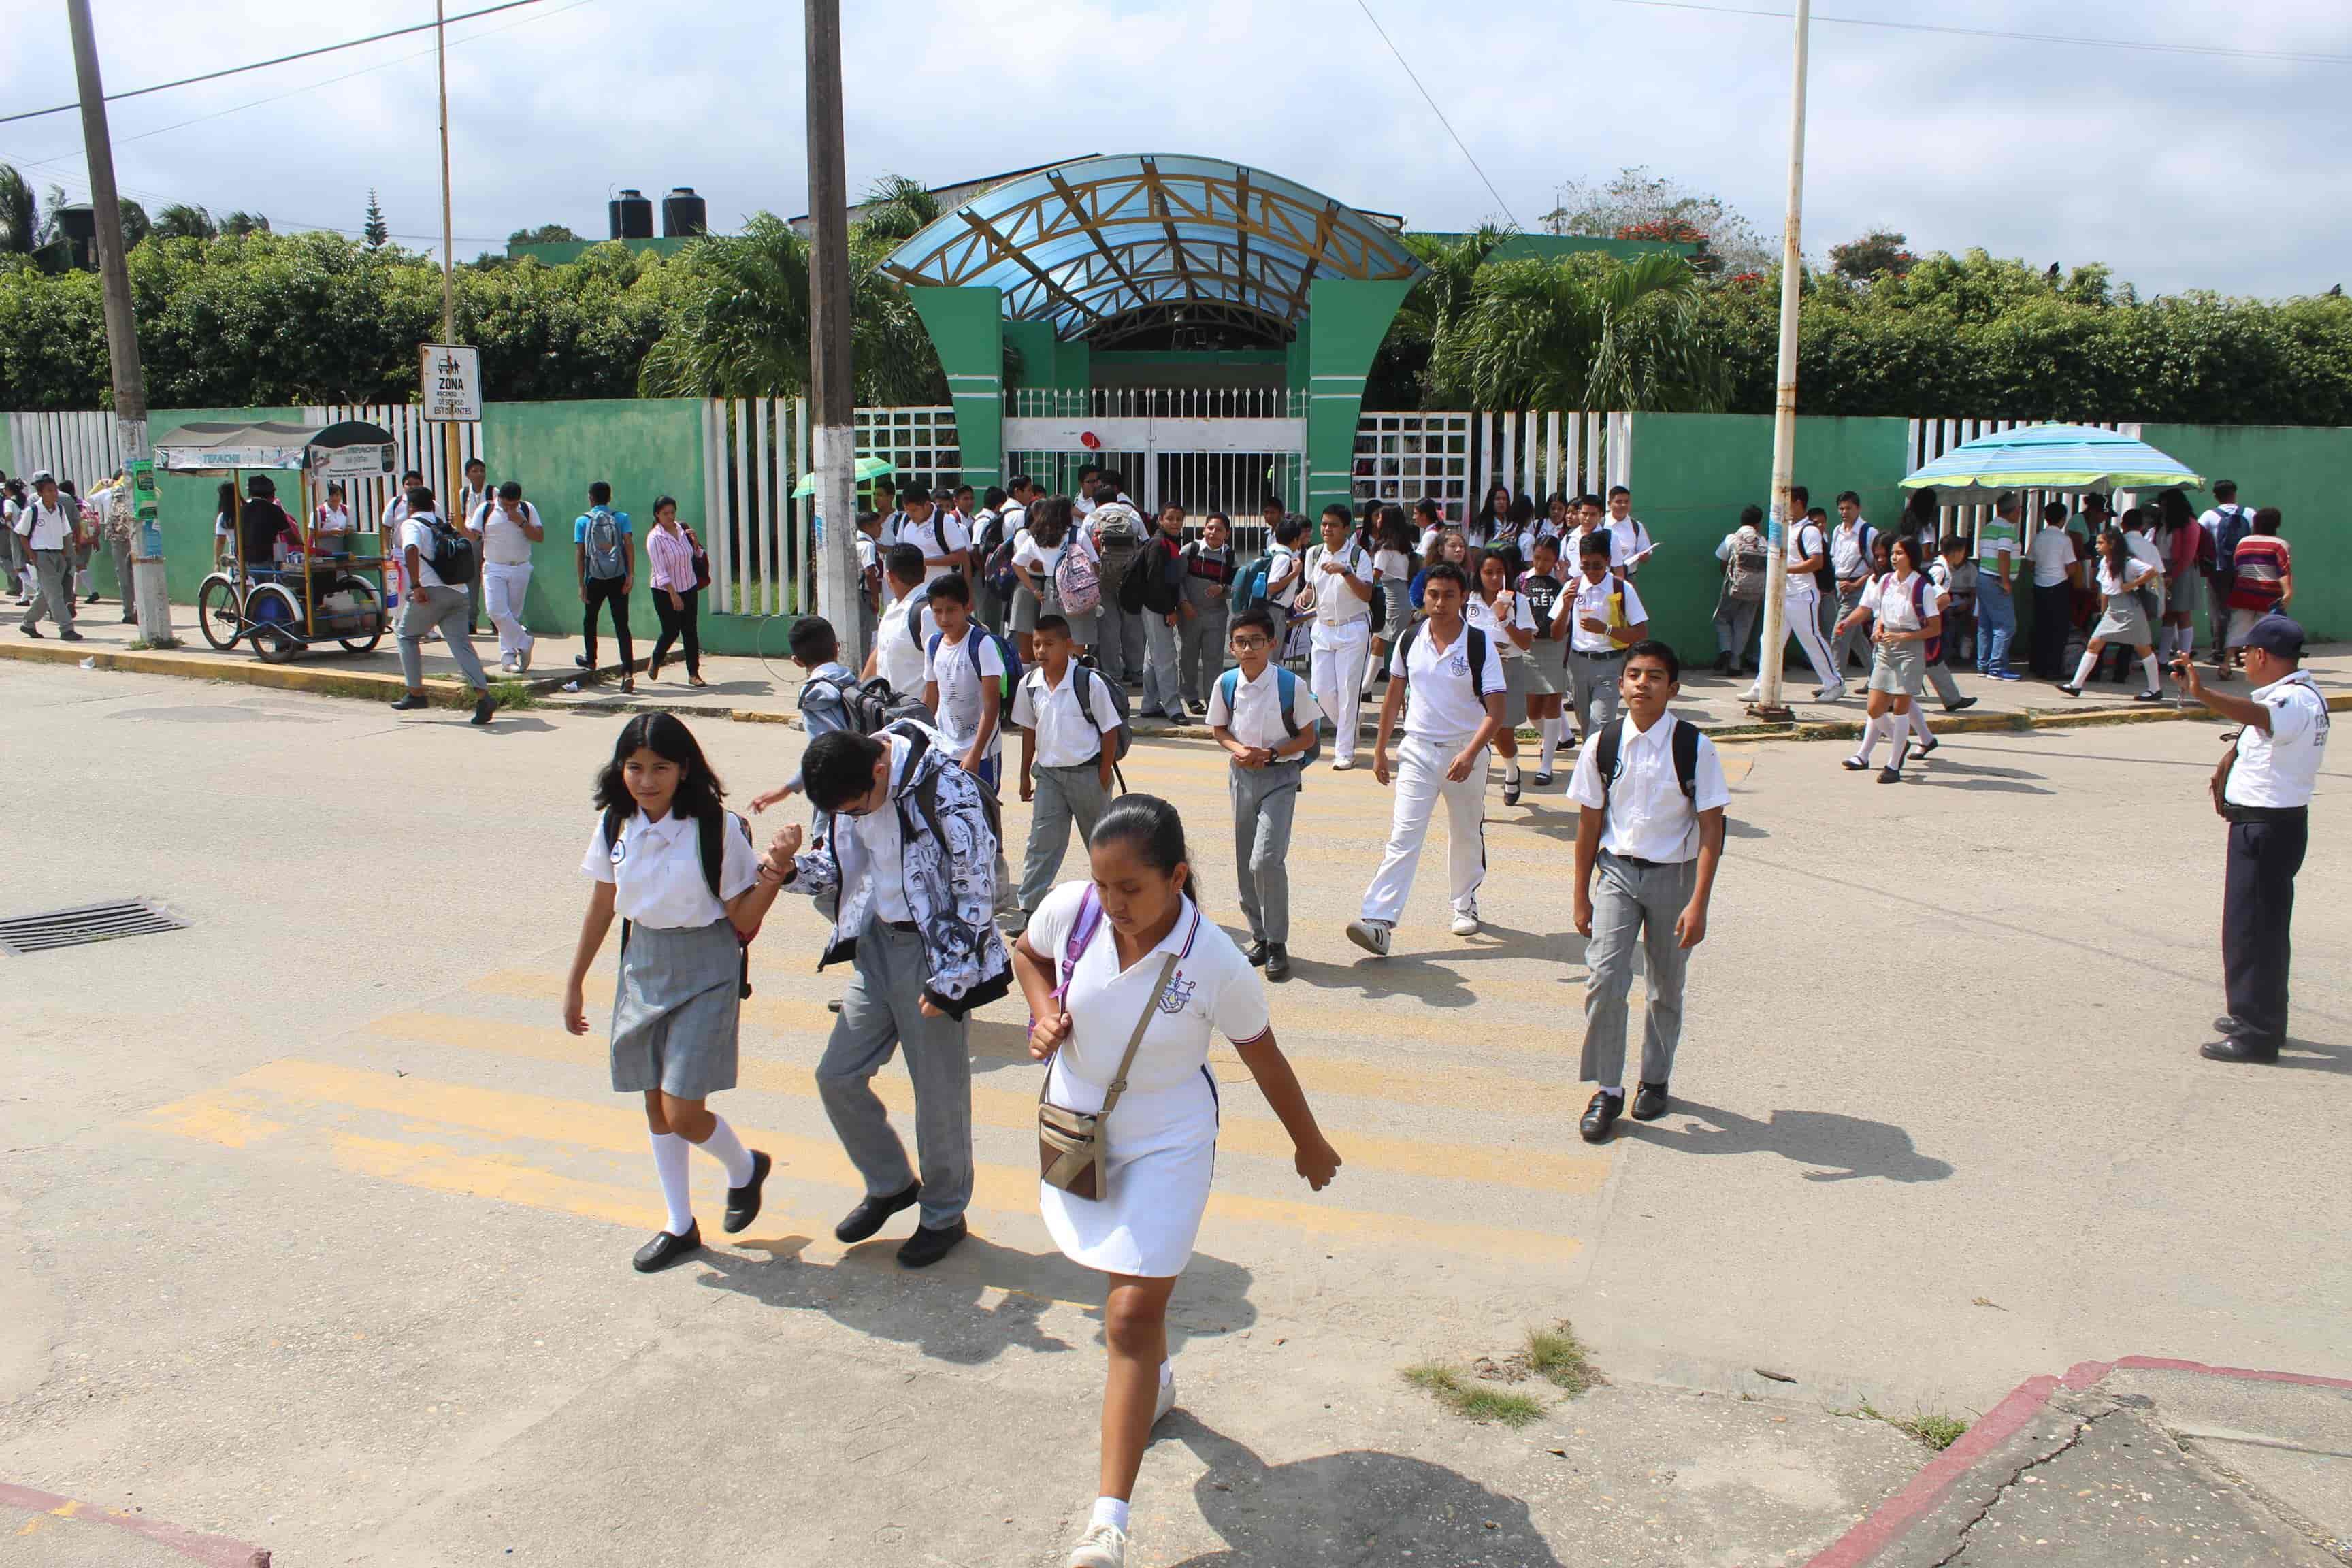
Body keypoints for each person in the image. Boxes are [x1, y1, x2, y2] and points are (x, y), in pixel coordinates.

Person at [1011, 797, 1339, 1568]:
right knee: (1130, 1306)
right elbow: (1025, 953)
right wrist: (1044, 1011)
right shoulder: (1075, 912)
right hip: (1079, 1123)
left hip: (1169, 1139)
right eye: (1101, 884)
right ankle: (1155, 1387)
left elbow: (1265, 1058)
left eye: (1132, 888)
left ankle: (1106, 1527)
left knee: (1128, 1314)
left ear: (1178, 878)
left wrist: (1309, 1143)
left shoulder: (1215, 961)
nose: (1113, 904)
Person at [771, 719, 1015, 1268]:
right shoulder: (849, 788)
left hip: (934, 951)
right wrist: (788, 869)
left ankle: (944, 1214)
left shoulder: (945, 792)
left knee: (939, 1097)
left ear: (880, 768)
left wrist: (953, 978)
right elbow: (837, 865)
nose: (853, 817)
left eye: (857, 808)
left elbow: (974, 887)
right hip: (877, 943)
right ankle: (890, 1183)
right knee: (837, 1076)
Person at [561, 713, 786, 1271]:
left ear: (684, 769)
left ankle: (743, 1168)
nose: (646, 780)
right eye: (634, 767)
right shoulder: (616, 822)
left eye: (660, 767)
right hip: (644, 963)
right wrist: (575, 982)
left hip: (707, 965)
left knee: (684, 1110)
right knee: (651, 1099)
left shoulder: (716, 826)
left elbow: (740, 914)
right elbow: (602, 904)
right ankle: (679, 1224)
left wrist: (775, 875)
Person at [1570, 640, 1729, 1143]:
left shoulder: (1693, 747)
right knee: (1605, 978)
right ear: (1621, 686)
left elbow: (1711, 828)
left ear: (1673, 689)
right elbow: (1589, 823)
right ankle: (1608, 1088)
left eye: (1655, 676)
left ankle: (1655, 1079)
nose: (1643, 683)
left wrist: (1699, 902)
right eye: (1634, 674)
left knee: (1665, 986)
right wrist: (1580, 896)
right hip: (1617, 873)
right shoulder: (1604, 744)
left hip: (1674, 880)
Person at [2173, 617, 2329, 1065]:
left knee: (2250, 932)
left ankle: (2255, 1032)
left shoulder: (2291, 700)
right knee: (2263, 929)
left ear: (2262, 655)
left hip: (2265, 827)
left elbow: (2263, 718)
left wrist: (2203, 695)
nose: (2243, 663)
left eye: (2245, 655)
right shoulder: (2298, 696)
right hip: (2270, 824)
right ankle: (2263, 1016)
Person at [1346, 562, 1507, 954]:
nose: (1440, 603)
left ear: (1463, 597)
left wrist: (1471, 753)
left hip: (1463, 752)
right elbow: (1393, 697)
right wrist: (1381, 750)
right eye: (1433, 595)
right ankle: (1379, 920)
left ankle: (1464, 902)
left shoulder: (1479, 644)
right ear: (1425, 597)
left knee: (1466, 832)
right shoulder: (1409, 638)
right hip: (1417, 750)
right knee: (1403, 837)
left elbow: (1497, 710)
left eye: (1449, 595)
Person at [1207, 607, 1322, 981]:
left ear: (1272, 644)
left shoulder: (1291, 685)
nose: (1248, 649)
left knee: (1266, 860)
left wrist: (1272, 753)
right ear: (1232, 646)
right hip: (1242, 777)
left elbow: (1309, 737)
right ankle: (1259, 936)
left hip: (1280, 777)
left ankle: (1277, 943)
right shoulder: (1226, 683)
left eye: (1256, 641)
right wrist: (1237, 749)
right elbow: (1220, 729)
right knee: (1245, 862)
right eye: (1241, 642)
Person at [1011, 613, 1124, 930]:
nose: (1041, 651)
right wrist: (1024, 774)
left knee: (1101, 843)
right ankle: (1030, 912)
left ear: (1068, 645)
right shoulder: (1030, 685)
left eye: (1049, 644)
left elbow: (1110, 729)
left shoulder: (1088, 681)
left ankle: (1117, 908)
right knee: (1041, 843)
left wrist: (1103, 772)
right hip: (1048, 775)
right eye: (1036, 644)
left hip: (1088, 775)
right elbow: (1029, 732)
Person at [1836, 536, 1942, 781]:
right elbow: (1878, 611)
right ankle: (1900, 742)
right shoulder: (1885, 582)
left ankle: (1894, 765)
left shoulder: (1922, 587)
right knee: (1874, 708)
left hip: (1909, 651)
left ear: (1912, 557)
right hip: (1885, 650)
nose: (1894, 558)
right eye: (1893, 553)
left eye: (1900, 553)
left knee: (1901, 708)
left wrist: (1904, 636)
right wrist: (1877, 628)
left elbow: (1935, 628)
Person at [388, 485, 497, 724]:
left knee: (406, 635)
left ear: (411, 507)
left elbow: (410, 549)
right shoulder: (442, 524)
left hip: (430, 592)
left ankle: (415, 693)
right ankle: (483, 696)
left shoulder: (411, 524)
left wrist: (416, 585)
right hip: (459, 592)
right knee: (461, 645)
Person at [1740, 499, 1842, 702]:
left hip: (1803, 595)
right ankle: (1762, 686)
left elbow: (1816, 562)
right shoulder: (1786, 528)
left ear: (1797, 503)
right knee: (1769, 641)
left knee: (1811, 639)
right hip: (1783, 594)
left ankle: (1835, 684)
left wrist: (1784, 569)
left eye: (1786, 502)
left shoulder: (1809, 531)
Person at [1298, 504, 1377, 768]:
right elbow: (1311, 587)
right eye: (1324, 524)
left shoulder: (1358, 555)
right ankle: (1351, 721)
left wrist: (1345, 572)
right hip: (1323, 627)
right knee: (1320, 690)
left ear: (1346, 528)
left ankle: (1344, 751)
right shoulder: (1313, 553)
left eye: (1333, 525)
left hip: (1353, 627)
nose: (1327, 529)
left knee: (1347, 689)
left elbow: (1366, 594)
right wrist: (1306, 595)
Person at [1562, 527, 1650, 747]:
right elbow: (1555, 631)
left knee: (1600, 725)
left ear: (1608, 561)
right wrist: (1565, 607)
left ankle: (1596, 773)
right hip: (1578, 664)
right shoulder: (1573, 587)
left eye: (1597, 566)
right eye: (1585, 566)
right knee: (1586, 723)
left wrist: (1606, 629)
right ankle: (1594, 764)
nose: (1591, 572)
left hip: (1611, 664)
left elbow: (1641, 632)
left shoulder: (1622, 589)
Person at [919, 573, 1007, 791]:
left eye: (951, 610)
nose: (944, 618)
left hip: (982, 752)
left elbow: (991, 705)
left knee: (984, 813)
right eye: (937, 612)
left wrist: (975, 754)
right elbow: (931, 699)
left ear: (967, 608)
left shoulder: (982, 644)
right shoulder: (933, 644)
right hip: (945, 749)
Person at [2059, 525, 2164, 701]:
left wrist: (2132, 585)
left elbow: (2152, 572)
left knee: (2143, 648)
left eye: (2101, 542)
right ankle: (2076, 685)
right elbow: (2105, 590)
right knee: (2094, 644)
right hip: (2113, 610)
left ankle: (2155, 689)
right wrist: (2103, 612)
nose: (2096, 546)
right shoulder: (2104, 563)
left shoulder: (2129, 563)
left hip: (2130, 609)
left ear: (2113, 544)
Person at [1467, 550, 1535, 805]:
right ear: (1479, 574)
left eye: (1500, 572)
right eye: (1489, 572)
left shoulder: (1517, 601)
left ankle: (1511, 770)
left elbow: (1526, 642)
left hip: (1508, 669)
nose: (1495, 578)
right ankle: (1474, 793)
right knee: (1474, 732)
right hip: (1474, 671)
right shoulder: (1468, 601)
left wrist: (1504, 619)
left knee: (1502, 734)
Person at [467, 480, 544, 674]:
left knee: (512, 615)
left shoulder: (527, 509)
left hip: (520, 567)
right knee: (496, 611)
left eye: (513, 504)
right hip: (494, 567)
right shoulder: (487, 509)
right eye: (506, 504)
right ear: (499, 498)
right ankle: (525, 641)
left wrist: (521, 521)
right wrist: (458, 527)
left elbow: (539, 536)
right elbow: (473, 536)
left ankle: (508, 658)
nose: (509, 508)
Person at [1015, 494, 1102, 664]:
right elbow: (1095, 564)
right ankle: (1075, 675)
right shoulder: (1078, 535)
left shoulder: (1038, 537)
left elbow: (1017, 564)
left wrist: (1034, 590)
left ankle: (1055, 675)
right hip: (1079, 590)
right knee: (1077, 639)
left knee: (1052, 637)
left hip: (1051, 590)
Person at [1516, 533, 1570, 783]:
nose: (1540, 563)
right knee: (1532, 711)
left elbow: (1565, 618)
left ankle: (1546, 765)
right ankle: (1558, 737)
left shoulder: (1561, 584)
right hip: (1529, 648)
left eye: (1547, 559)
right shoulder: (1522, 580)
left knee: (1551, 705)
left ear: (1555, 560)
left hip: (1553, 647)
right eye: (1537, 557)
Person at [574, 481, 636, 692]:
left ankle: (591, 659)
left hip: (595, 578)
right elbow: (629, 545)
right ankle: (628, 672)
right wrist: (630, 575)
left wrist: (582, 584)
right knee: (622, 625)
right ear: (610, 498)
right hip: (618, 576)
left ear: (590, 498)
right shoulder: (621, 518)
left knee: (590, 619)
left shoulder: (583, 521)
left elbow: (581, 555)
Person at [1130, 502, 1189, 721]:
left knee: (1153, 656)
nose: (1175, 523)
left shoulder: (1168, 543)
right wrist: (1169, 609)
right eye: (1170, 518)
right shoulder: (1159, 545)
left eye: (1179, 519)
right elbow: (1156, 581)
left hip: (1156, 607)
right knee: (1166, 658)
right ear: (1160, 520)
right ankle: (1173, 707)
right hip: (1157, 607)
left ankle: (1149, 703)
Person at [14, 470, 87, 641]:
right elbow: (22, 534)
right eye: (49, 490)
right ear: (40, 493)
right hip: (42, 555)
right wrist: (32, 556)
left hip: (58, 555)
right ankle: (67, 628)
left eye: (55, 490)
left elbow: (66, 534)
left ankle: (28, 623)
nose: (54, 494)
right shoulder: (32, 511)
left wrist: (67, 555)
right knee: (56, 593)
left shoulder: (60, 510)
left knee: (46, 594)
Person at [1176, 511, 1237, 715]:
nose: (1213, 533)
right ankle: (1191, 697)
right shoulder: (1190, 550)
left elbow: (1235, 585)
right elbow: (1177, 580)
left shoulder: (1229, 556)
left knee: (1214, 658)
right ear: (1204, 530)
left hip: (1216, 615)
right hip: (1190, 614)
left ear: (1226, 534)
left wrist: (1223, 589)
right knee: (1189, 656)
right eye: (1210, 528)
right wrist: (1184, 603)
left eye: (1219, 530)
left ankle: (1213, 700)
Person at [1089, 478, 1149, 682]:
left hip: (1103, 578)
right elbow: (1146, 544)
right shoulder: (1132, 515)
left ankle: (1111, 673)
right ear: (1117, 498)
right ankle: (1137, 671)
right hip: (1129, 576)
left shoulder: (1092, 518)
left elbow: (1087, 551)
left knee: (1108, 627)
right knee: (1133, 623)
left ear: (1097, 503)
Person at [866, 542, 936, 705]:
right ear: (925, 571)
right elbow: (880, 652)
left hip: (915, 716)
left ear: (888, 575)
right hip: (890, 713)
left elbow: (940, 672)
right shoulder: (893, 607)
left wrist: (924, 718)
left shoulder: (926, 611)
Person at [2198, 481, 2255, 676]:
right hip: (2244, 571)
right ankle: (2241, 652)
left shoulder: (2209, 516)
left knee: (2220, 612)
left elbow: (2199, 538)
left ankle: (2219, 653)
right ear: (2235, 494)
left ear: (2215, 496)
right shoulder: (2249, 513)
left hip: (2218, 570)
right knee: (2243, 612)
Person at [2223, 508, 2291, 659]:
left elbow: (2237, 567)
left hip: (2243, 593)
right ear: (2277, 524)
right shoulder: (2280, 545)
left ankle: (2226, 664)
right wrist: (2288, 592)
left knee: (2237, 628)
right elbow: (2283, 571)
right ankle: (2263, 663)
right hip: (2269, 596)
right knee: (2268, 630)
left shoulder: (2243, 542)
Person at [1365, 505, 1418, 696]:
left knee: (1390, 643)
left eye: (1380, 517)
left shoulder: (1385, 548)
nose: (1377, 520)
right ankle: (1367, 687)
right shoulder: (1403, 546)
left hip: (1395, 600)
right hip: (1402, 597)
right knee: (1379, 641)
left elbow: (1375, 576)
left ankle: (1406, 689)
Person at [2024, 500, 2078, 679]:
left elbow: (2030, 563)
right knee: (2058, 630)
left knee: (2041, 627)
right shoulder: (2064, 540)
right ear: (2063, 520)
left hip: (2039, 586)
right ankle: (2053, 669)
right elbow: (2071, 567)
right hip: (2059, 587)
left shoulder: (2038, 537)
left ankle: (2037, 666)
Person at [1712, 505, 1770, 675]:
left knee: (1722, 618)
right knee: (1744, 625)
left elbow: (1722, 561)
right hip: (1756, 591)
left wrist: (1733, 579)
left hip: (1734, 587)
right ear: (1758, 524)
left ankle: (1726, 648)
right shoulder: (1763, 541)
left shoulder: (1732, 538)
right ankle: (1735, 663)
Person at [1825, 495, 1878, 679]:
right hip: (1840, 587)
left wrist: (1856, 584)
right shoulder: (1838, 531)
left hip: (1858, 589)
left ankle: (1835, 680)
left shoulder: (1869, 533)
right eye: (1841, 509)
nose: (1844, 513)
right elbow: (1835, 560)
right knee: (1855, 637)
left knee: (1840, 633)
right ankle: (1876, 677)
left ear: (1858, 509)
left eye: (1848, 508)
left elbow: (1877, 566)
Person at [1970, 491, 2021, 679]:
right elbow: (2003, 554)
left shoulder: (1989, 527)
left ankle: (1983, 665)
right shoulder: (2007, 529)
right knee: (2007, 626)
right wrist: (2006, 581)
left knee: (1986, 624)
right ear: (2015, 511)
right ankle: (1997, 668)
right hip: (1997, 580)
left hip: (1984, 577)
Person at [2154, 488, 2202, 669]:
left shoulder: (2189, 524)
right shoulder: (2163, 523)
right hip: (2163, 568)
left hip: (2183, 572)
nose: (2163, 509)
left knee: (2183, 614)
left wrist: (2172, 575)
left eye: (2166, 505)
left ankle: (2184, 659)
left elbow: (2187, 556)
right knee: (2168, 615)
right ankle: (2163, 658)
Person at [897, 483, 970, 581]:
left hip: (941, 589)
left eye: (914, 510)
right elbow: (899, 549)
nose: (910, 514)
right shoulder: (905, 520)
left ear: (927, 505)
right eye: (906, 510)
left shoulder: (945, 522)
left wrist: (924, 562)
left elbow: (961, 557)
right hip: (912, 590)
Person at [1604, 485, 1654, 578]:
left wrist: (1644, 556)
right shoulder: (1601, 524)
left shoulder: (1637, 526)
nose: (1623, 505)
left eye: (1626, 502)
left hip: (1629, 577)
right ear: (1609, 504)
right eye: (1619, 502)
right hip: (1603, 578)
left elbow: (1646, 555)